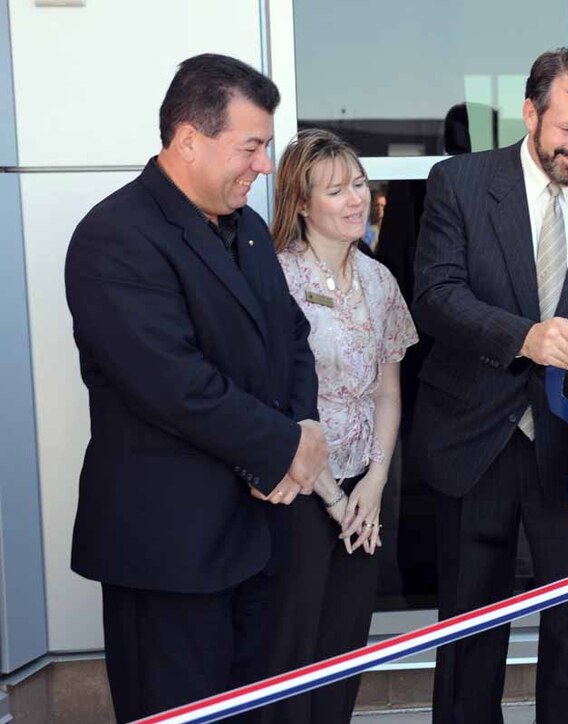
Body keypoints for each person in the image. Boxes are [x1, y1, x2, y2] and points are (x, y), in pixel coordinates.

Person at [63, 54, 328, 721]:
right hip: (170, 554)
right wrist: (282, 450)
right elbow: (173, 384)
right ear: (188, 140)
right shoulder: (114, 237)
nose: (265, 166)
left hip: (258, 537)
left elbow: (292, 338)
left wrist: (303, 429)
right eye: (252, 147)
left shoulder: (247, 233)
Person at [411, 47, 568, 724]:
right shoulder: (458, 183)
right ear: (530, 113)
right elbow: (437, 295)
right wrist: (525, 337)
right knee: (468, 643)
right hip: (471, 448)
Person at [260, 129, 417, 722]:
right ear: (301, 203)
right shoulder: (275, 279)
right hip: (297, 491)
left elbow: (389, 391)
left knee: (345, 648)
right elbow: (270, 398)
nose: (356, 200)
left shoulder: (380, 282)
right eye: (335, 190)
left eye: (358, 184)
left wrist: (373, 485)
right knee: (290, 651)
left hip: (364, 492)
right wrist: (329, 493)